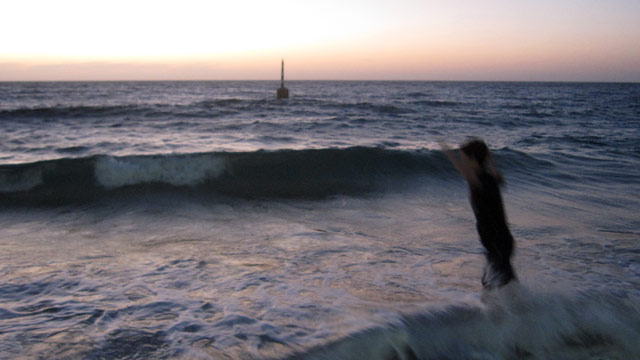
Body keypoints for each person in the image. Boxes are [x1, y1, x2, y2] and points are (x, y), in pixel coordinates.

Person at [441, 138, 517, 289]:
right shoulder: (492, 178)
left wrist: (447, 151)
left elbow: (463, 172)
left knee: (496, 285)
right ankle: (521, 307)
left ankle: (519, 308)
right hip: (502, 241)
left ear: (473, 160)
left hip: (496, 242)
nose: (462, 162)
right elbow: (490, 169)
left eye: (463, 159)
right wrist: (488, 157)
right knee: (501, 283)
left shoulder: (479, 182)